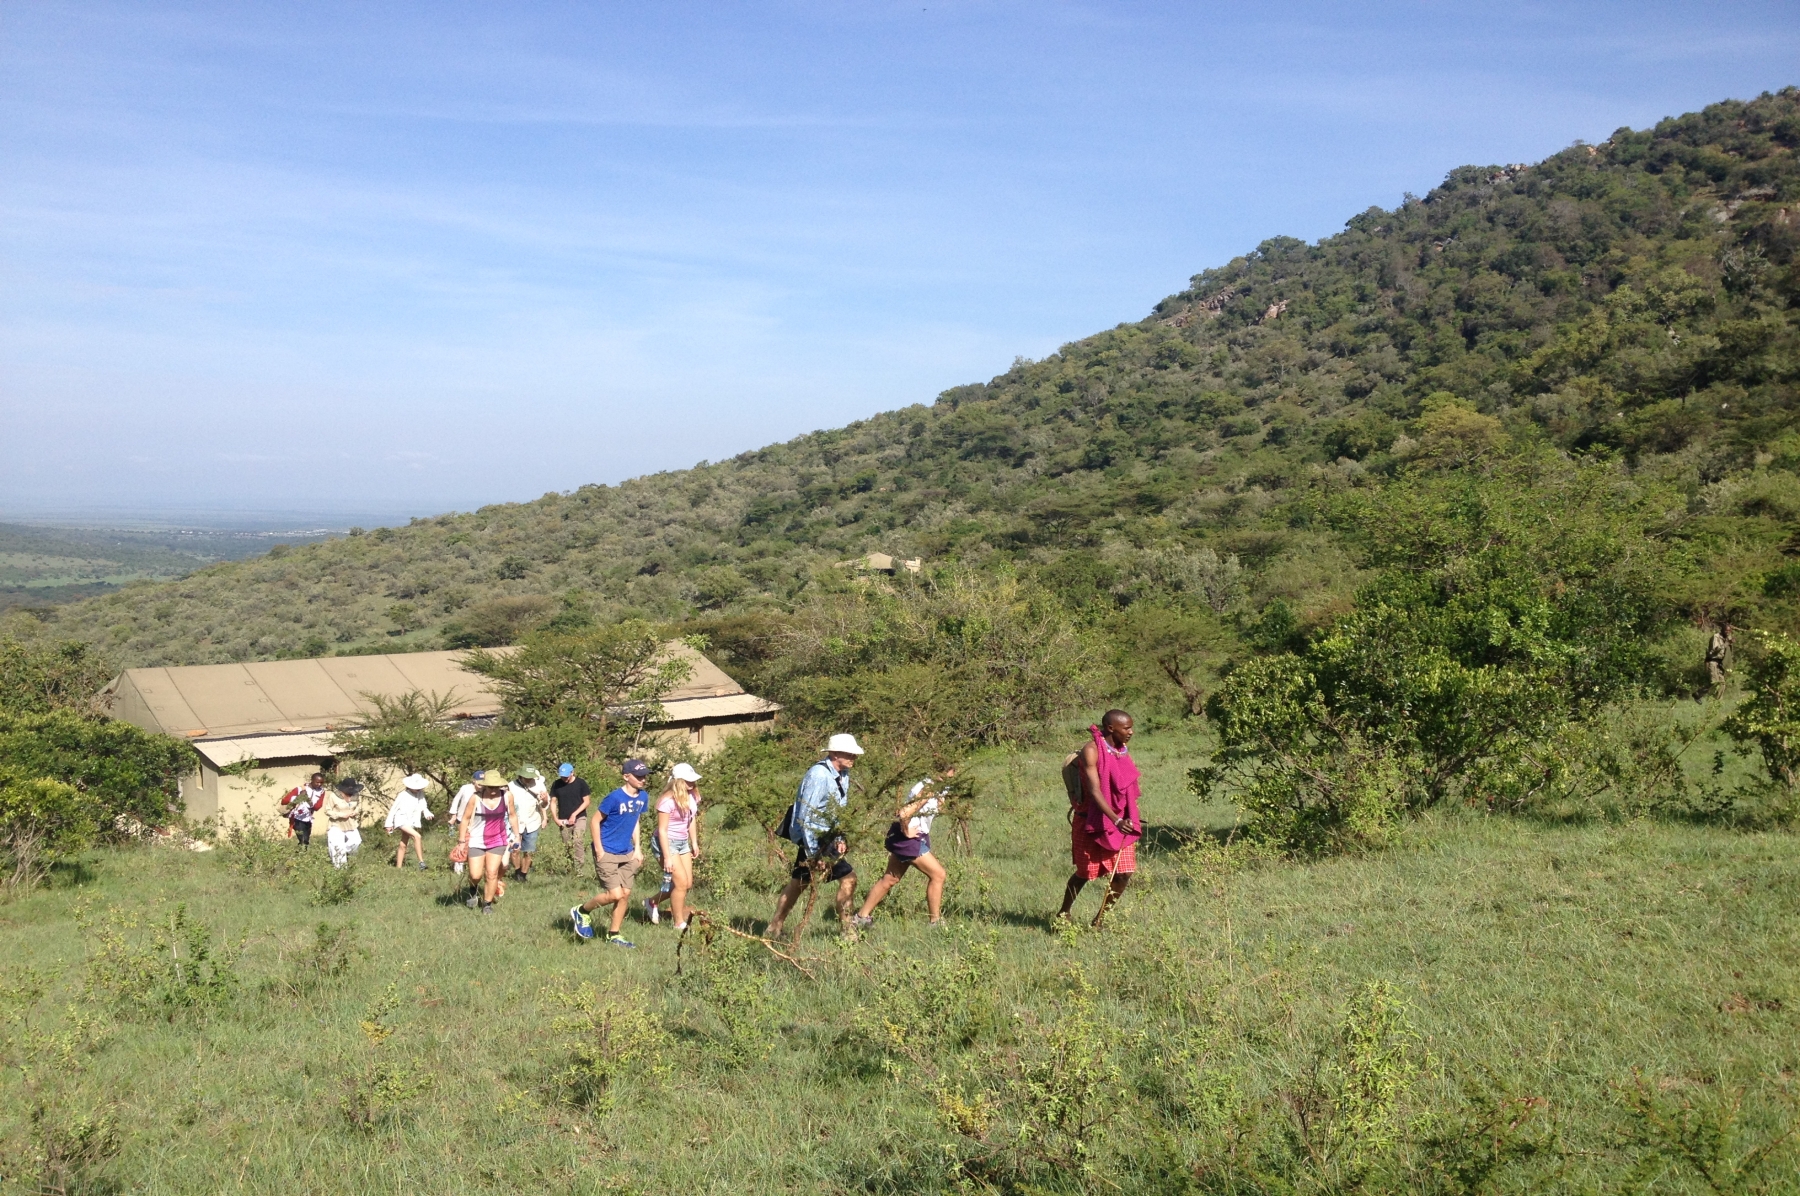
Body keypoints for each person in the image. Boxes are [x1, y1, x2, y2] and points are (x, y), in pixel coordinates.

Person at [767, 734, 863, 939]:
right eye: (849, 753)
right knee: (849, 878)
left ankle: (773, 928)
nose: (854, 757)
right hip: (815, 836)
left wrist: (839, 838)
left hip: (827, 836)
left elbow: (837, 811)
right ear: (835, 753)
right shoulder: (818, 775)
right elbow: (806, 817)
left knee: (799, 883)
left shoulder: (843, 774)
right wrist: (814, 854)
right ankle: (848, 931)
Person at [1058, 710, 1142, 928]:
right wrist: (1116, 820)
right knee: (1085, 873)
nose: (1131, 732)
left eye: (1131, 727)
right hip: (1092, 821)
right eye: (1127, 728)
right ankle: (1064, 912)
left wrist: (1128, 815)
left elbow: (1125, 785)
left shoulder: (1121, 750)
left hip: (1119, 821)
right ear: (1111, 728)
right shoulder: (1092, 750)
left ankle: (1100, 920)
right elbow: (1096, 790)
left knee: (1124, 873)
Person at [851, 769, 952, 930]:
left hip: (912, 836)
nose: (952, 775)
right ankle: (935, 923)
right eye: (950, 771)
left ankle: (861, 917)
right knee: (938, 874)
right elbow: (904, 813)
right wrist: (907, 832)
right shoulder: (927, 787)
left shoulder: (941, 787)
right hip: (908, 838)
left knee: (890, 879)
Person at [570, 759, 652, 947]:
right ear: (626, 776)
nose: (643, 779)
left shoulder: (643, 797)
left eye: (644, 776)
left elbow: (635, 820)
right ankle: (582, 911)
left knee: (625, 894)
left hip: (628, 852)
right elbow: (594, 821)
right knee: (614, 894)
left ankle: (613, 934)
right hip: (607, 851)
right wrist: (599, 849)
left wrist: (637, 848)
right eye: (639, 776)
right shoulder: (614, 798)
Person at [647, 762, 703, 930]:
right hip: (666, 842)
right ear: (678, 781)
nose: (692, 783)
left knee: (687, 884)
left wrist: (694, 842)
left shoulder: (692, 796)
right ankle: (678, 922)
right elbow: (662, 831)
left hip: (682, 841)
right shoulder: (666, 801)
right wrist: (667, 858)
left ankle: (652, 902)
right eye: (688, 781)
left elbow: (691, 819)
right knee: (679, 884)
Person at [457, 770, 515, 914]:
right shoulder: (475, 798)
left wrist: (517, 835)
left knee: (491, 873)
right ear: (484, 786)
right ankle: (473, 889)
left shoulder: (507, 796)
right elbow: (464, 819)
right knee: (475, 875)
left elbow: (513, 815)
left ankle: (487, 904)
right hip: (477, 839)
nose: (494, 790)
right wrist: (462, 840)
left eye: (496, 787)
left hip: (498, 839)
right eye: (490, 787)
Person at [550, 762, 593, 875]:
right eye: (562, 776)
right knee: (567, 844)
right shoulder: (556, 784)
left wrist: (574, 814)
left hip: (579, 817)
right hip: (563, 819)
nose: (564, 778)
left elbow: (587, 801)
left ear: (572, 773)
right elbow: (553, 802)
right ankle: (569, 868)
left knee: (577, 841)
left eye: (566, 776)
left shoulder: (581, 783)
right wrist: (555, 819)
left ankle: (579, 869)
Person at [384, 773, 434, 869]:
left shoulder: (420, 794)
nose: (418, 789)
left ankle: (398, 867)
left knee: (403, 843)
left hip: (411, 820)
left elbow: (423, 806)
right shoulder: (402, 795)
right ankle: (421, 862)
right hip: (401, 819)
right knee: (417, 836)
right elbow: (393, 809)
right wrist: (388, 824)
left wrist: (427, 814)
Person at [508, 766, 549, 882]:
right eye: (527, 778)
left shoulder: (539, 785)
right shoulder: (511, 786)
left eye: (531, 778)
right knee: (515, 850)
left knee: (529, 850)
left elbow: (544, 805)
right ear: (520, 776)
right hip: (516, 822)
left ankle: (523, 874)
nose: (529, 780)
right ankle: (517, 871)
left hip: (532, 822)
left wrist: (545, 800)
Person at [447, 769, 487, 875]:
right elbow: (456, 800)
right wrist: (453, 814)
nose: (481, 783)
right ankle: (458, 863)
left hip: (477, 821)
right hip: (462, 818)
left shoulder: (486, 791)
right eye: (479, 780)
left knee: (474, 842)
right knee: (463, 841)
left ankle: (473, 863)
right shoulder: (465, 788)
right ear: (474, 780)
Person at [322, 778, 365, 868]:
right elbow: (327, 810)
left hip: (351, 823)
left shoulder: (356, 795)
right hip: (336, 824)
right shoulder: (334, 796)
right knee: (337, 845)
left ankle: (344, 853)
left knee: (356, 842)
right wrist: (340, 814)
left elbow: (358, 807)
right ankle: (340, 868)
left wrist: (355, 812)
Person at [282, 772, 326, 849]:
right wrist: (299, 797)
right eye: (317, 782)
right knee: (302, 839)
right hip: (297, 817)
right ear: (312, 780)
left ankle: (302, 855)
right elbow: (285, 801)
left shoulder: (321, 791)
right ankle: (301, 854)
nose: (319, 784)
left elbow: (317, 807)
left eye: (321, 782)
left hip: (308, 818)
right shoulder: (300, 789)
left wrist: (308, 800)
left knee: (306, 840)